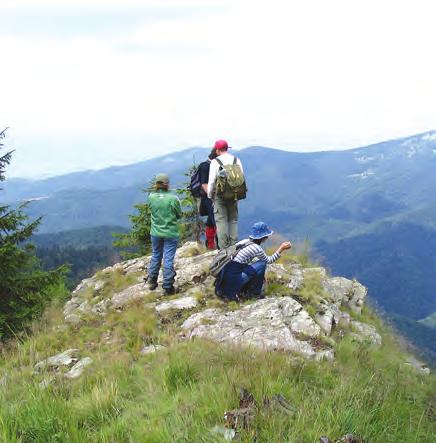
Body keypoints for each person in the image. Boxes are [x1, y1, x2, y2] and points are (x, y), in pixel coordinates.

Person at [215, 222, 292, 301]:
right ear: (263, 237)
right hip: (233, 281)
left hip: (225, 279)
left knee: (255, 266)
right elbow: (269, 260)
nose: (267, 237)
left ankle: (244, 288)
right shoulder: (257, 248)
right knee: (262, 264)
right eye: (266, 235)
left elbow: (242, 260)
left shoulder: (244, 241)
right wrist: (281, 249)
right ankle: (255, 293)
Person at [147, 173, 182, 295]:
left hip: (155, 233)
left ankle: (152, 281)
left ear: (156, 184)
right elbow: (179, 215)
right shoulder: (173, 198)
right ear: (167, 184)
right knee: (168, 258)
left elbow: (150, 210)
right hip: (170, 233)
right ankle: (167, 286)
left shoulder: (151, 197)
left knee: (156, 255)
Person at [207, 139, 244, 249]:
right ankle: (233, 246)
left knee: (221, 221)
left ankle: (224, 249)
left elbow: (212, 181)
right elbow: (241, 177)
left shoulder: (215, 162)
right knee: (233, 220)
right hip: (234, 194)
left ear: (217, 150)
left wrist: (210, 195)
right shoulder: (236, 160)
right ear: (227, 149)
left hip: (220, 195)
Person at [198, 148, 218, 249]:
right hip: (208, 198)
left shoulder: (211, 165)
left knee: (211, 220)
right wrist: (212, 197)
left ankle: (210, 244)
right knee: (216, 220)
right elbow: (204, 184)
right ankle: (218, 246)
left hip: (211, 197)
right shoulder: (205, 166)